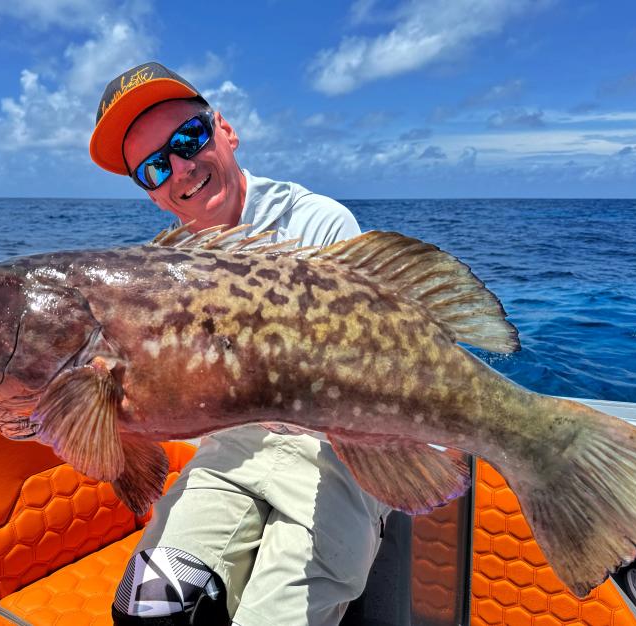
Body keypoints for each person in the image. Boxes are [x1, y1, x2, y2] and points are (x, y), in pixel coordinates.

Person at [89, 62, 390, 626]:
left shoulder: (321, 226)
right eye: (154, 168)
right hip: (230, 452)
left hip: (336, 452)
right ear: (152, 194)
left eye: (188, 139)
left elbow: (373, 370)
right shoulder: (162, 270)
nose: (180, 168)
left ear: (224, 130)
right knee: (147, 608)